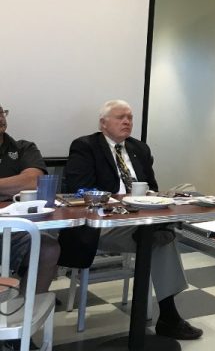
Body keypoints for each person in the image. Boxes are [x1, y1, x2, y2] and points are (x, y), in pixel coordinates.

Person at [62, 100, 203, 340]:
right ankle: (169, 317)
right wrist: (123, 199)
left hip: (141, 216)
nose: (127, 122)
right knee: (161, 238)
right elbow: (79, 189)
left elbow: (153, 187)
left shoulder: (140, 148)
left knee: (187, 192)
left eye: (130, 117)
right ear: (103, 123)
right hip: (105, 222)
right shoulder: (85, 146)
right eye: (120, 117)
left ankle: (159, 227)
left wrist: (153, 198)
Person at [0, 103, 60, 293]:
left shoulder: (24, 148)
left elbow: (34, 181)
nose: (0, 117)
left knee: (48, 248)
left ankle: (27, 312)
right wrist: (12, 185)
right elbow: (21, 183)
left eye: (1, 112)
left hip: (17, 227)